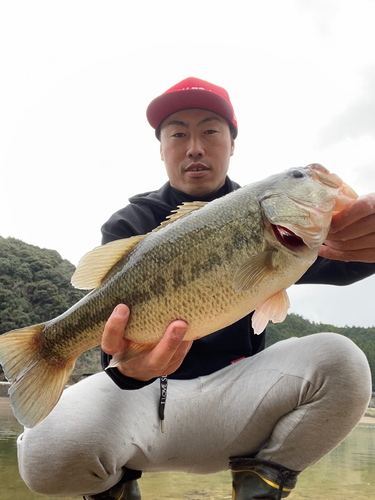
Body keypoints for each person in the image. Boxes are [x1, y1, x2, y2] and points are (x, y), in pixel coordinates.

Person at [17, 77, 374, 500]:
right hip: (142, 409)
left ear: (232, 142)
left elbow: (349, 264)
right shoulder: (128, 223)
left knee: (344, 362)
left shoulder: (279, 230)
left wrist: (364, 238)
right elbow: (113, 338)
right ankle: (115, 487)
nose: (195, 147)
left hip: (240, 409)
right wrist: (128, 367)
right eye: (178, 134)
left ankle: (260, 485)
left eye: (209, 131)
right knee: (42, 453)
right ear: (162, 147)